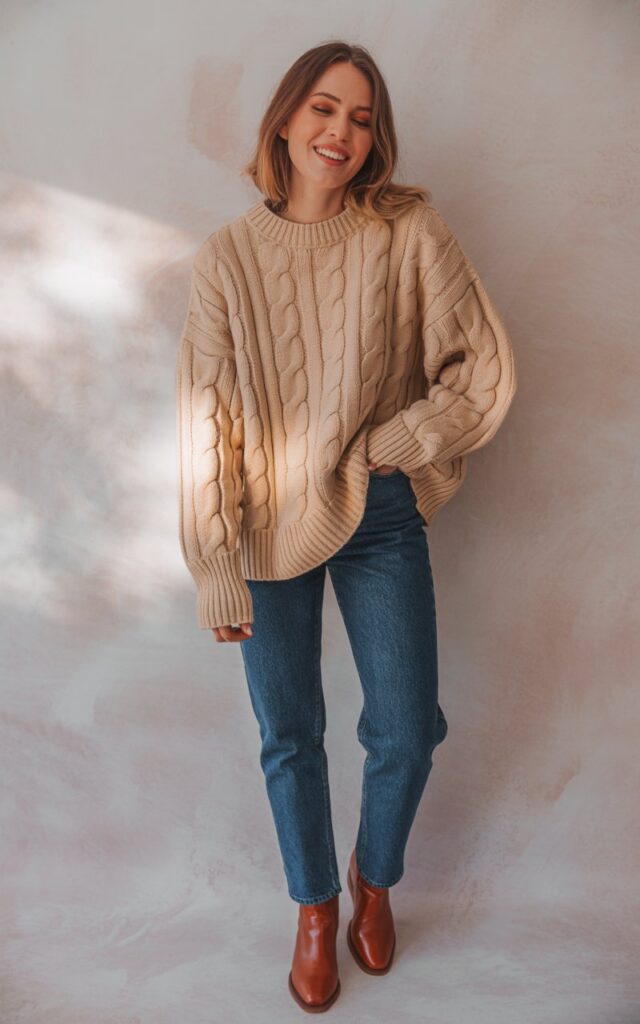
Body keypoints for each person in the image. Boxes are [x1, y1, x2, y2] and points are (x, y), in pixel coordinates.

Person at [176, 40, 517, 1013]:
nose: (341, 133)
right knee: (290, 733)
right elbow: (206, 421)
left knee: (406, 728)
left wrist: (402, 438)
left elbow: (481, 368)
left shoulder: (407, 232)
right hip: (260, 524)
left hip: (379, 512)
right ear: (284, 120)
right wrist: (215, 565)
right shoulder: (228, 259)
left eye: (362, 119)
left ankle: (376, 879)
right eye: (325, 109)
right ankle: (315, 908)